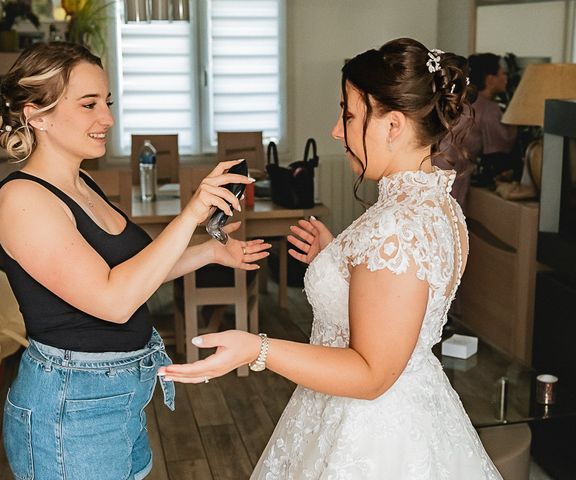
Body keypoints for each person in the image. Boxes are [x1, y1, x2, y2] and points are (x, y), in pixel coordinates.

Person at [159, 38, 503, 479]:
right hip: (405, 409)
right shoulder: (439, 206)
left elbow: (371, 372)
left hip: (372, 436)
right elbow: (396, 299)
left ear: (393, 125)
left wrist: (255, 348)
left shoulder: (397, 225)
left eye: (348, 114)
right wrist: (339, 258)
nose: (336, 130)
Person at [0, 42, 270, 480]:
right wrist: (192, 213)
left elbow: (133, 271)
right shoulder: (23, 199)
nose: (107, 118)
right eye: (88, 105)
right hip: (70, 407)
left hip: (118, 395)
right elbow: (114, 300)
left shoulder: (82, 183)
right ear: (36, 115)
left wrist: (211, 250)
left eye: (107, 103)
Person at [434, 53, 518, 210]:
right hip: (454, 170)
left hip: (435, 164)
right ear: (490, 79)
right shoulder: (489, 108)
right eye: (502, 74)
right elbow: (501, 146)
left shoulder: (460, 100)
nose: (505, 78)